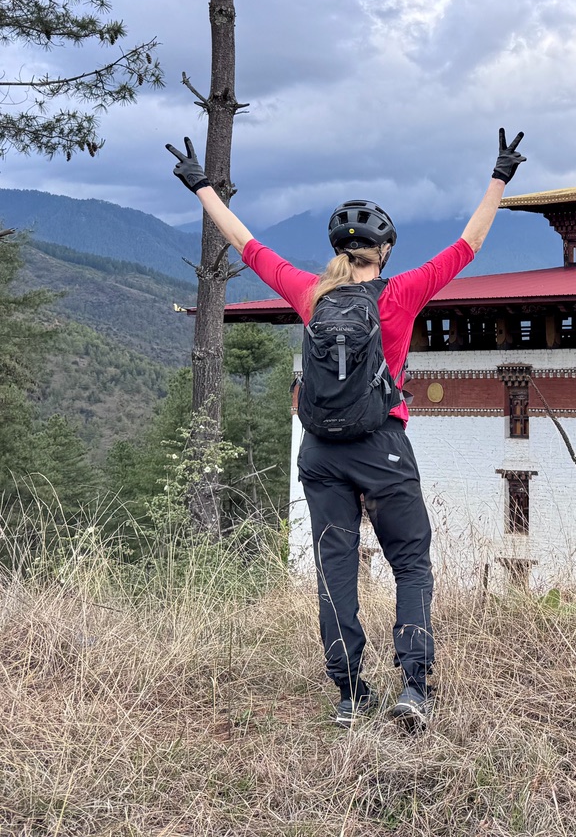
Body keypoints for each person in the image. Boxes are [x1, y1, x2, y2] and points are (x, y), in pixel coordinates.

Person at [165, 129, 526, 728]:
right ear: (382, 253)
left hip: (321, 451)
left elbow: (246, 243)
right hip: (381, 445)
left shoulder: (310, 293)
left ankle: (350, 695)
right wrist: (501, 175)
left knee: (335, 566)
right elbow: (470, 243)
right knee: (410, 563)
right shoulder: (401, 293)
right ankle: (413, 686)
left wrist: (201, 184)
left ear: (337, 248)